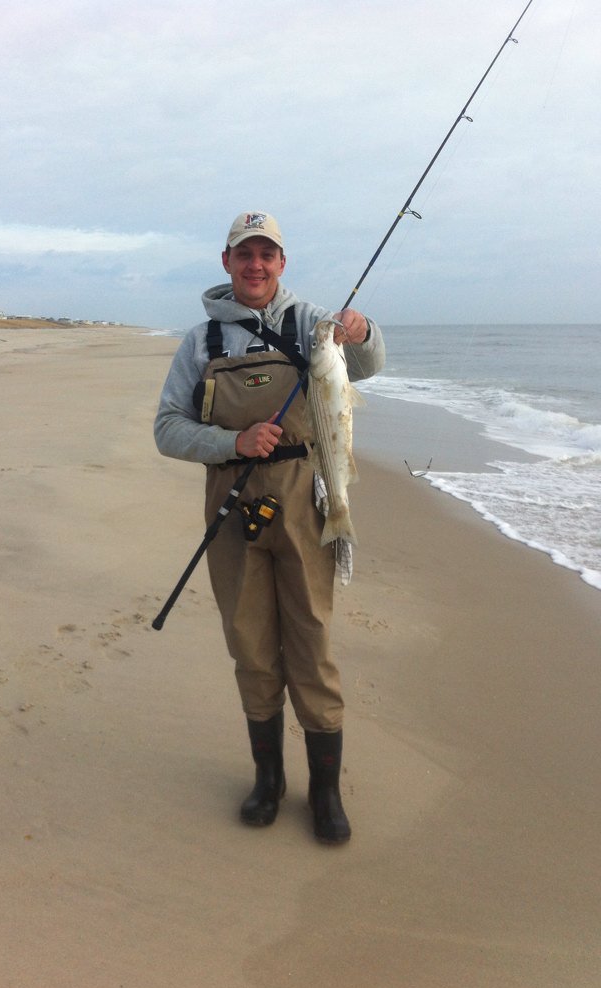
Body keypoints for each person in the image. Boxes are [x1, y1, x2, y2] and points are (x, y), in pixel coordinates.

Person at [154, 211, 385, 843]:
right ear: (225, 262)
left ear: (282, 263)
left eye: (267, 254)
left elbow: (364, 365)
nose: (255, 265)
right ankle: (269, 780)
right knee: (251, 645)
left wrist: (361, 334)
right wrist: (234, 439)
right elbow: (167, 429)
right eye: (243, 254)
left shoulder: (310, 323)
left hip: (308, 502)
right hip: (231, 508)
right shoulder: (200, 343)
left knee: (310, 638)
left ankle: (326, 794)